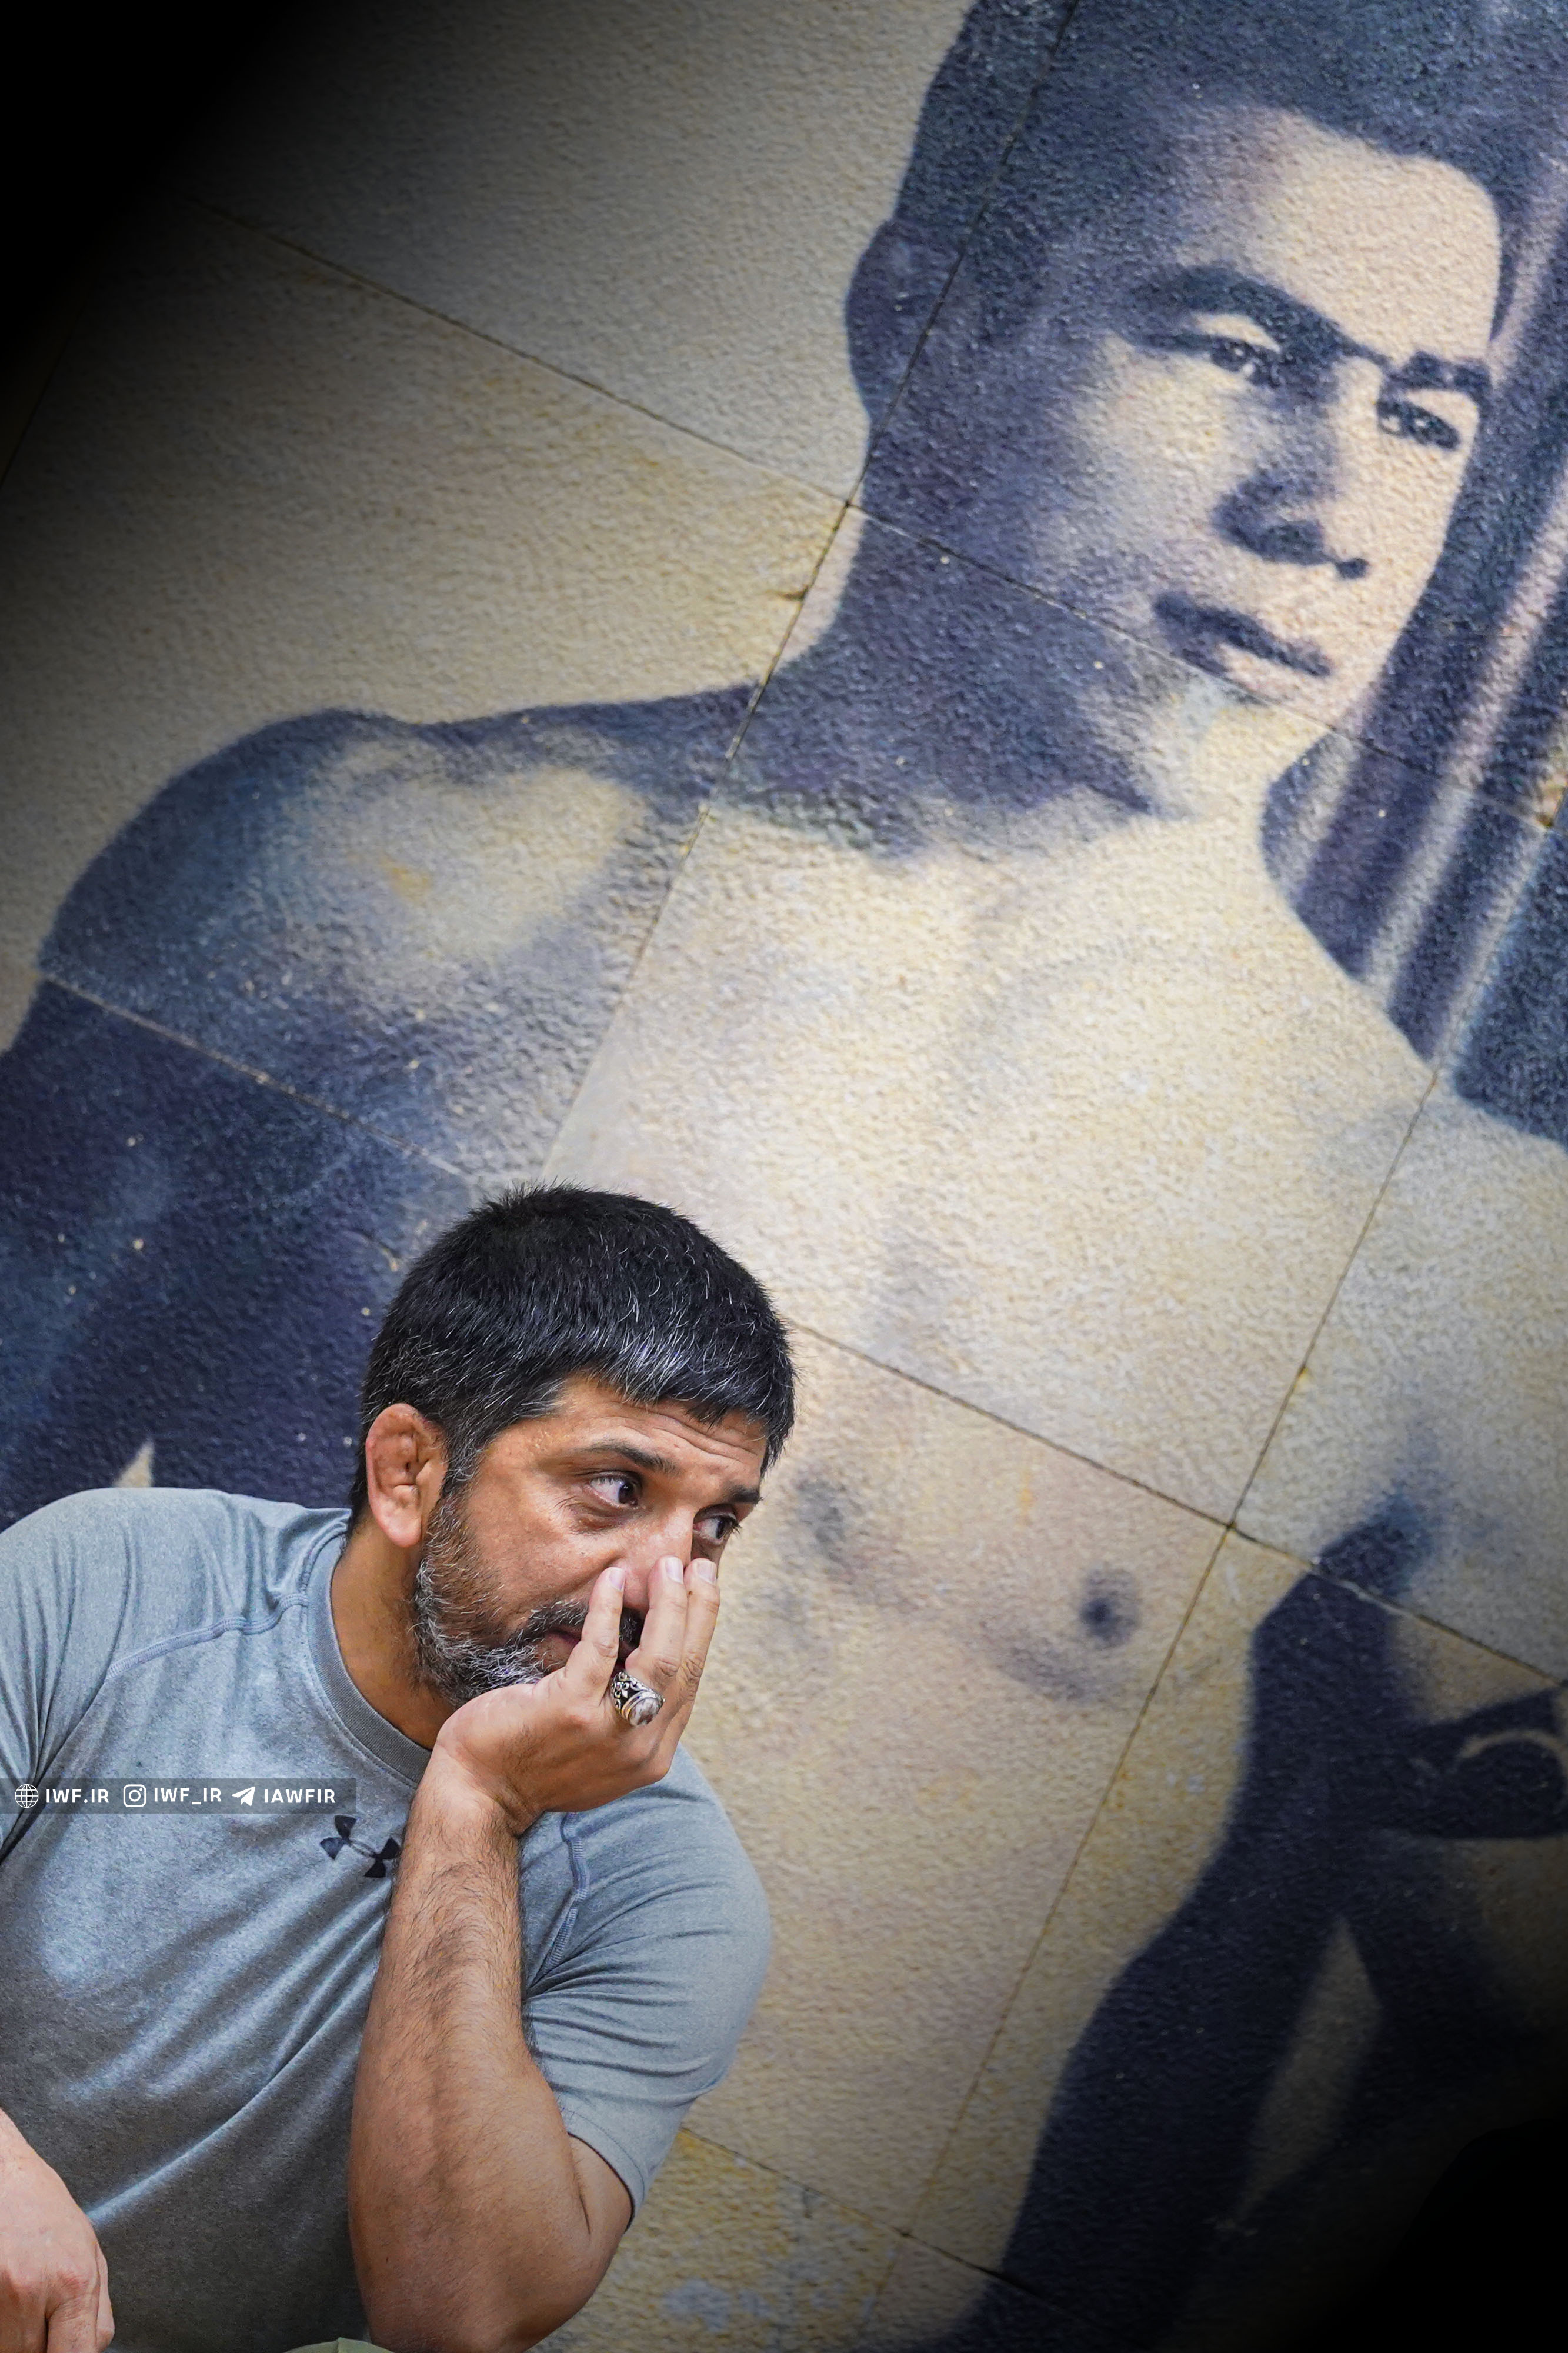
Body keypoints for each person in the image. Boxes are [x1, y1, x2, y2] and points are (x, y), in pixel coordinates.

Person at [3, 0, 1567, 2339]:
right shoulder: (348, 878)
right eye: (1239, 349)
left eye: (1422, 411)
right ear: (922, 324)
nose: (1329, 506)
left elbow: (1494, 2061)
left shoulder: (1446, 1239)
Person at [0, 1185, 794, 2353]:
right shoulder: (110, 1583)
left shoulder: (673, 1899)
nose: (663, 1586)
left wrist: (479, 1803)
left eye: (714, 1525)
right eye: (617, 1489)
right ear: (410, 1470)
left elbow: (459, 2316)